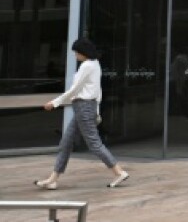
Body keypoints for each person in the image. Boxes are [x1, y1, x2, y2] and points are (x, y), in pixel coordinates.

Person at [34, 38, 129, 190]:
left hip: (84, 108)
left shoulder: (87, 66)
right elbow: (98, 92)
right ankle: (53, 179)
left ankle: (119, 172)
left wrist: (55, 102)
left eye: (77, 52)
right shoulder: (95, 64)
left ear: (83, 52)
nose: (75, 55)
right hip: (84, 108)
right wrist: (96, 111)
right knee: (66, 143)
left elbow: (74, 90)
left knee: (94, 144)